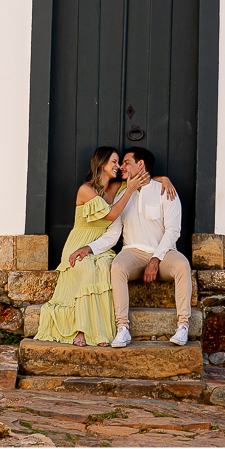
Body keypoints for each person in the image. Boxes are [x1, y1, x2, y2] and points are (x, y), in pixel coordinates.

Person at [35, 146, 175, 347]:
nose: (118, 166)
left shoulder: (116, 186)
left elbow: (143, 178)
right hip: (80, 242)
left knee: (105, 267)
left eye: (120, 162)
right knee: (87, 268)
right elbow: (111, 215)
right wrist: (130, 190)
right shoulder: (86, 190)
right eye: (114, 162)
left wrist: (164, 179)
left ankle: (98, 331)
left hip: (101, 244)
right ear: (101, 164)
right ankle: (81, 329)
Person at [69, 147, 192, 349]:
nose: (121, 167)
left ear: (140, 164)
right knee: (117, 266)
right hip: (132, 252)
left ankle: (183, 326)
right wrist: (88, 248)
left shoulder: (165, 191)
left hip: (163, 253)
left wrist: (156, 259)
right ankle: (122, 328)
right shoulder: (121, 196)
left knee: (182, 265)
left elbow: (173, 231)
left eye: (126, 162)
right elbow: (112, 234)